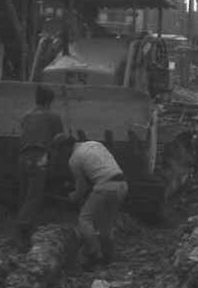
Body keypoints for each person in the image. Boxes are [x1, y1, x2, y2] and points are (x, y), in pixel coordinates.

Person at [53, 134, 129, 269]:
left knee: (84, 219)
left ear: (66, 147)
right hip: (122, 185)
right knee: (105, 225)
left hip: (105, 186)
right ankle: (108, 257)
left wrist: (73, 197)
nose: (61, 154)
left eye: (60, 150)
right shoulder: (94, 144)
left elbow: (82, 187)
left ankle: (94, 255)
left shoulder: (74, 159)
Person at [15, 85, 64, 249]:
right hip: (39, 158)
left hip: (22, 157)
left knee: (23, 195)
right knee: (34, 197)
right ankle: (22, 232)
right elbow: (59, 140)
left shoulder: (26, 116)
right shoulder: (53, 117)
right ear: (49, 101)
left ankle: (24, 233)